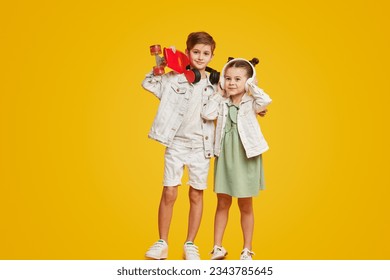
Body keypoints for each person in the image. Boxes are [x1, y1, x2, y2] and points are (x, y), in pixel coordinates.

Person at [141, 31, 218, 260]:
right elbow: (148, 83)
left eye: (206, 53)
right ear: (187, 53)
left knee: (196, 194)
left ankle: (190, 244)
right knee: (169, 191)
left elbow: (236, 96)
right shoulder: (174, 78)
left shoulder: (216, 85)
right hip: (176, 144)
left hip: (201, 145)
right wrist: (161, 66)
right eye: (196, 52)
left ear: (212, 56)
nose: (200, 57)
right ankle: (162, 242)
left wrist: (257, 108)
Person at [201, 57, 272, 260]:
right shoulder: (221, 101)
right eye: (228, 78)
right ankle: (217, 247)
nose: (232, 82)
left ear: (248, 81)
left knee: (245, 204)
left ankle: (247, 249)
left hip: (246, 155)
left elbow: (266, 101)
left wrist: (251, 86)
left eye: (238, 79)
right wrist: (219, 93)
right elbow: (207, 113)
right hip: (225, 155)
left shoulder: (253, 102)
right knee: (222, 202)